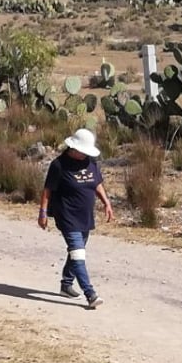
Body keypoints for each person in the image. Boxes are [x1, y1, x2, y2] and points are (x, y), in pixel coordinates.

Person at [39, 128, 113, 310]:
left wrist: (106, 202)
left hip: (85, 216)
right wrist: (42, 212)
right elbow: (48, 190)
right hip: (67, 216)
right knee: (78, 254)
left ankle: (66, 284)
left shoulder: (90, 162)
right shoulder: (59, 165)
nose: (86, 155)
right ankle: (90, 294)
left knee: (76, 251)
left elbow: (97, 183)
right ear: (74, 149)